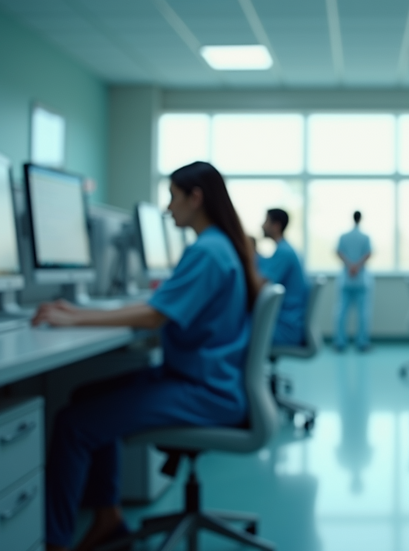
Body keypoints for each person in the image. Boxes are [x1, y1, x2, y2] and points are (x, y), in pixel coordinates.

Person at [35, 161, 262, 551]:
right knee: (86, 399)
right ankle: (108, 518)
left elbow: (157, 315)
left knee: (73, 425)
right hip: (208, 379)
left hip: (205, 391)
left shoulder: (208, 251)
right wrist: (81, 315)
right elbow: (163, 307)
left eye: (173, 196)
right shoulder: (220, 245)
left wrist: (76, 318)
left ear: (196, 197)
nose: (168, 207)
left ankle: (55, 544)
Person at [259, 208, 309, 346]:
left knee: (236, 329)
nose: (262, 226)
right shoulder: (286, 249)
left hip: (286, 327)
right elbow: (265, 264)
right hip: (289, 322)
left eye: (266, 221)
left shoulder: (284, 252)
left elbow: (260, 284)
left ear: (276, 225)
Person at [334, 211, 373, 352]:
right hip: (360, 279)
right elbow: (368, 253)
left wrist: (350, 265)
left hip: (346, 279)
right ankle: (362, 343)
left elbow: (338, 252)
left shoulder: (344, 237)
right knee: (363, 313)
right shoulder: (365, 237)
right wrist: (357, 266)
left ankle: (340, 342)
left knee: (341, 312)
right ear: (360, 219)